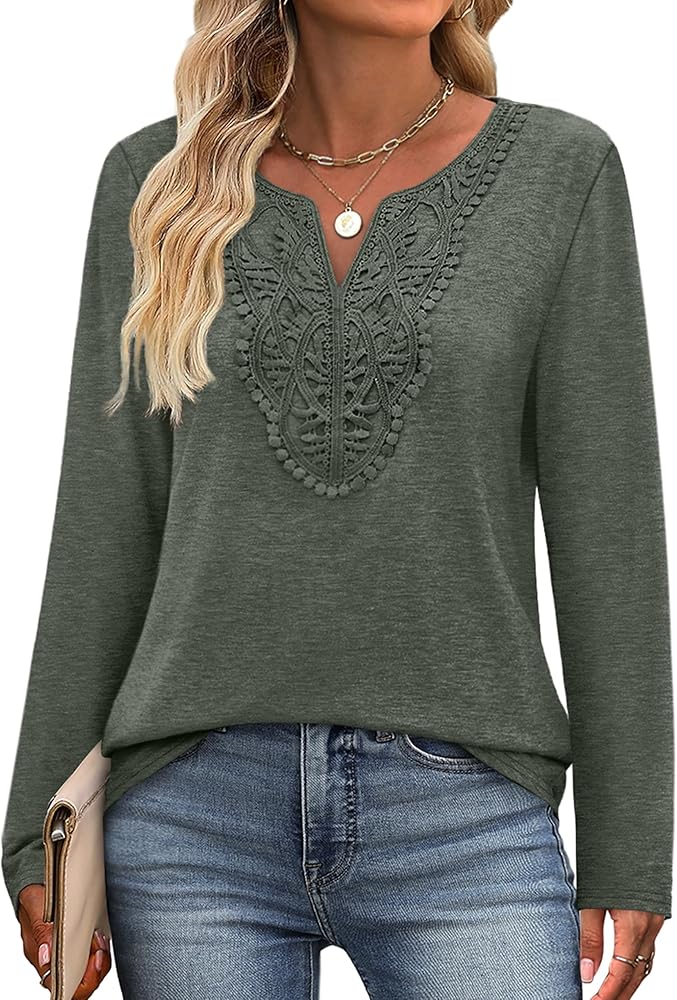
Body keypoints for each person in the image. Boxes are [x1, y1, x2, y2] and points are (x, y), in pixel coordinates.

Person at [2, 1, 673, 998]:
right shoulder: (154, 181)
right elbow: (106, 518)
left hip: (466, 816)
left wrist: (630, 843)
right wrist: (37, 830)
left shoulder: (559, 170)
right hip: (188, 819)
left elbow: (608, 529)